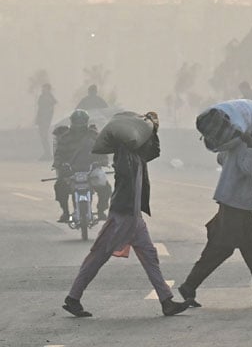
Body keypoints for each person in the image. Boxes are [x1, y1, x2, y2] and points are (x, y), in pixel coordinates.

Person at [62, 112, 191, 318]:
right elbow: (142, 153)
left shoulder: (138, 155)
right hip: (123, 215)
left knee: (149, 257)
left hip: (133, 215)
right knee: (98, 255)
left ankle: (166, 301)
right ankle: (73, 298)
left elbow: (154, 152)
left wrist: (153, 130)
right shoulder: (125, 155)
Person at [178, 117, 252, 308]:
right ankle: (189, 285)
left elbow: (221, 158)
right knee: (224, 249)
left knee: (251, 250)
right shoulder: (247, 145)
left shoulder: (235, 144)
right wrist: (251, 149)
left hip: (236, 203)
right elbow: (246, 169)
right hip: (237, 206)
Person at [53, 110, 112, 223]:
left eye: (81, 121)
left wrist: (102, 162)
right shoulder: (65, 138)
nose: (79, 123)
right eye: (76, 121)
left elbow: (102, 151)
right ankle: (65, 212)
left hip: (91, 169)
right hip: (71, 170)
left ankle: (101, 211)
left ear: (86, 121)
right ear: (72, 122)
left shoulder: (94, 135)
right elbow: (59, 155)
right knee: (60, 187)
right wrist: (61, 165)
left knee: (105, 188)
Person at [36, 81, 57, 161]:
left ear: (48, 89)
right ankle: (47, 153)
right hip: (41, 120)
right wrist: (37, 119)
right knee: (42, 137)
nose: (43, 89)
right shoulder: (42, 97)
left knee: (44, 136)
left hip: (45, 120)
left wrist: (46, 119)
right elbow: (40, 109)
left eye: (45, 88)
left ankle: (48, 154)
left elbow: (50, 110)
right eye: (43, 88)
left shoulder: (49, 98)